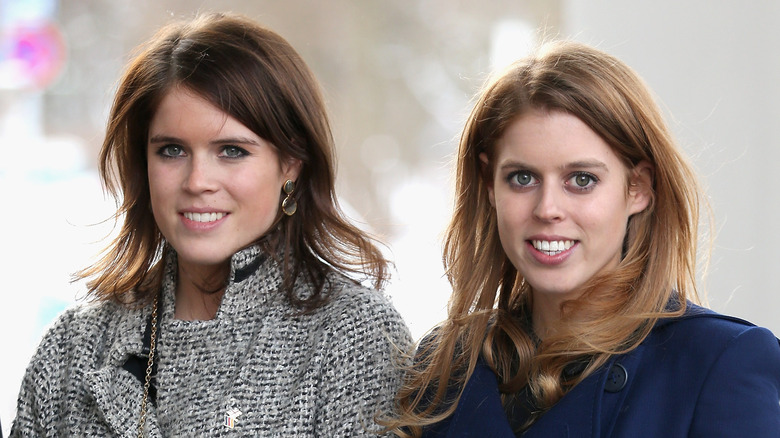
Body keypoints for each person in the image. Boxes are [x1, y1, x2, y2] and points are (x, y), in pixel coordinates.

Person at [10, 12, 412, 437]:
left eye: (232, 151)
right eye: (171, 150)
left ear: (290, 164)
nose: (198, 182)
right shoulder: (74, 346)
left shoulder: (354, 337)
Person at [388, 40, 780, 437]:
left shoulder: (719, 362)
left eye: (582, 180)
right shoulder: (446, 364)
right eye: (522, 178)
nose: (547, 209)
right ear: (490, 185)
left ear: (638, 188)